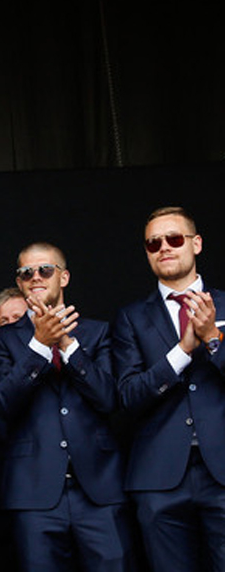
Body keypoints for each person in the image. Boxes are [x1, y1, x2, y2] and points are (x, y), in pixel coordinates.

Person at [0, 242, 135, 571]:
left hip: (98, 488)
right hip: (33, 492)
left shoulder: (97, 333)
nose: (35, 278)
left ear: (64, 277)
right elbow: (1, 403)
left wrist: (68, 345)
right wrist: (40, 345)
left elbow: (109, 398)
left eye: (45, 270)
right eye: (26, 273)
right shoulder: (3, 339)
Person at [112, 206, 225, 571]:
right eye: (153, 242)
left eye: (174, 239)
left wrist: (212, 339)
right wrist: (182, 351)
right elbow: (128, 395)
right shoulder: (131, 317)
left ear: (196, 244)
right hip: (158, 478)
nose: (164, 247)